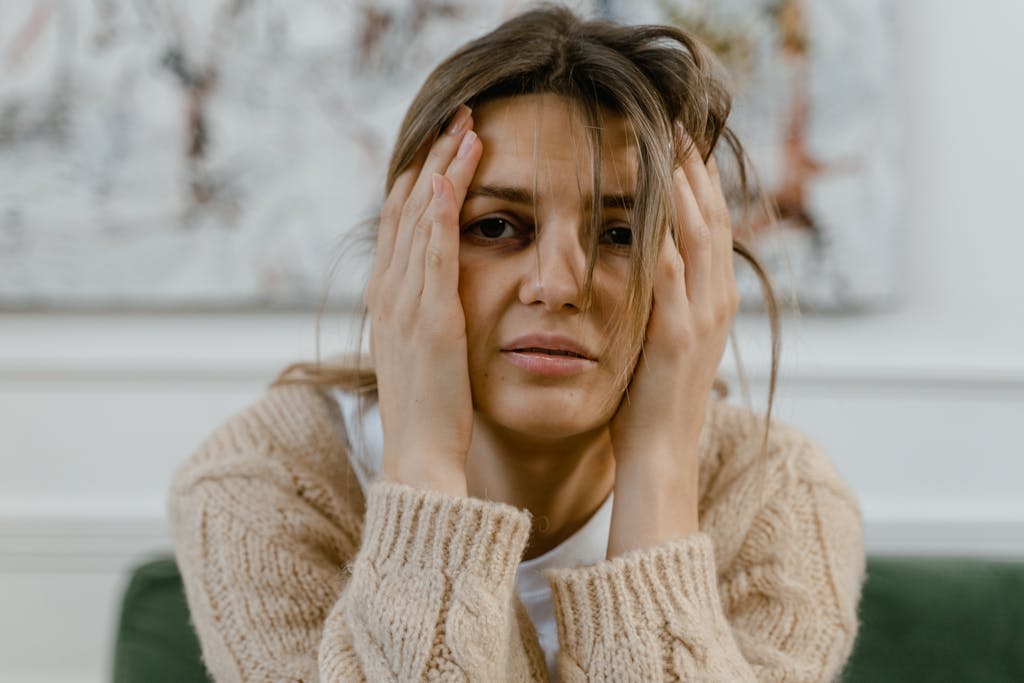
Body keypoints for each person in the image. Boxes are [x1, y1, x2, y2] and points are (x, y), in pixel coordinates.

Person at [168, 5, 865, 681]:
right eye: (498, 226)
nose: (558, 285)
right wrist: (426, 466)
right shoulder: (263, 485)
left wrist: (659, 465)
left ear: (698, 273)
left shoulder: (779, 499)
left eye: (620, 234)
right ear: (410, 250)